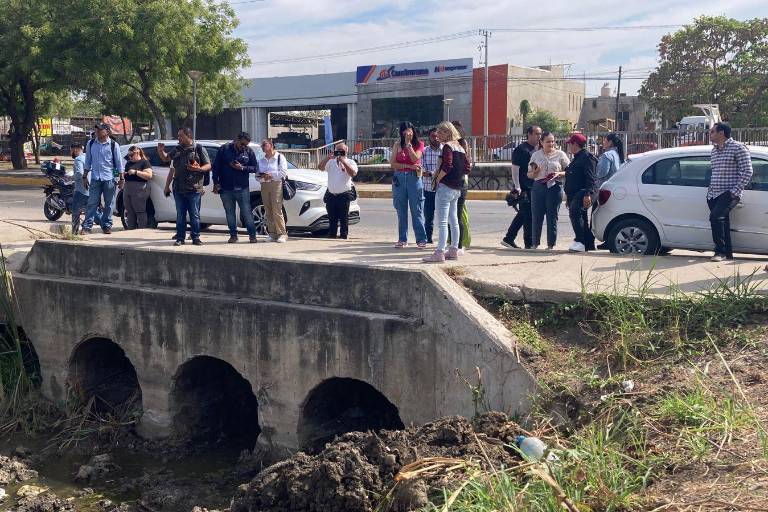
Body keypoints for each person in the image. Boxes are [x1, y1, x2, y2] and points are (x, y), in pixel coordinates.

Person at [423, 122, 471, 263]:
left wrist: (438, 179)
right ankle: (453, 250)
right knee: (454, 220)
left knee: (443, 222)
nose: (437, 136)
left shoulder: (448, 146)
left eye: (440, 133)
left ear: (447, 132)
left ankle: (439, 253)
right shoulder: (461, 147)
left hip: (446, 187)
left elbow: (447, 165)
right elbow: (467, 168)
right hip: (457, 188)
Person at [707, 122, 753, 261]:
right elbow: (714, 171)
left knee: (715, 217)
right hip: (713, 194)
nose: (710, 134)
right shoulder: (714, 150)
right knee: (722, 222)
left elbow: (747, 171)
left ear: (721, 133)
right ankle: (727, 254)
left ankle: (719, 252)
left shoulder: (738, 148)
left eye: (712, 132)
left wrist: (735, 191)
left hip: (728, 193)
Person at [158, 127, 211, 246]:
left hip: (194, 188)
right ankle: (180, 238)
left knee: (195, 215)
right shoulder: (177, 149)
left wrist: (199, 168)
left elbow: (208, 165)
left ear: (189, 136)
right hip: (179, 188)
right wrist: (161, 151)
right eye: (178, 136)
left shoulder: (198, 148)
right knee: (180, 215)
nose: (179, 138)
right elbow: (166, 158)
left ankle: (196, 237)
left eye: (181, 136)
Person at [212, 132, 259, 243]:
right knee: (229, 212)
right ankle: (233, 235)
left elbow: (255, 168)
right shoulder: (224, 149)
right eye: (242, 144)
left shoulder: (248, 151)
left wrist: (242, 168)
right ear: (237, 140)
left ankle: (252, 236)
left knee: (247, 212)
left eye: (246, 145)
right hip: (226, 187)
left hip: (242, 187)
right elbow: (216, 167)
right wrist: (215, 182)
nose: (244, 146)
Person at [502, 125, 542, 249]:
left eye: (540, 134)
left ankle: (522, 242)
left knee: (527, 215)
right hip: (524, 187)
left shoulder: (537, 149)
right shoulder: (521, 149)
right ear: (529, 134)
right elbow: (515, 170)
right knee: (526, 214)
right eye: (536, 134)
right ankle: (512, 239)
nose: (539, 136)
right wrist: (517, 187)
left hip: (534, 186)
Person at [528, 131, 569, 250]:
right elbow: (529, 174)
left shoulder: (561, 154)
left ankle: (551, 245)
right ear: (541, 142)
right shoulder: (536, 155)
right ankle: (535, 244)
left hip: (554, 187)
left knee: (552, 217)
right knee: (537, 216)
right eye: (548, 141)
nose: (551, 144)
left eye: (553, 141)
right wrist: (534, 172)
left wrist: (559, 173)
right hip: (538, 187)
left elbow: (570, 171)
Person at [390, 121, 427, 248]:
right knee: (401, 210)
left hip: (413, 178)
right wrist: (408, 166)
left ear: (413, 131)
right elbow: (393, 163)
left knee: (416, 209)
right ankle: (402, 238)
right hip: (399, 178)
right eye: (404, 130)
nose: (407, 133)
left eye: (409, 130)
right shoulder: (396, 144)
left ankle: (421, 239)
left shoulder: (419, 144)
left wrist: (409, 145)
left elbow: (415, 159)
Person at [81, 123, 124, 234]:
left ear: (107, 132)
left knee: (109, 204)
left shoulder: (113, 145)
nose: (98, 132)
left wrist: (121, 178)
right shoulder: (91, 144)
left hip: (109, 178)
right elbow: (88, 162)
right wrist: (85, 177)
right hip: (95, 177)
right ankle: (87, 226)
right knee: (92, 203)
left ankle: (106, 225)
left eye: (100, 130)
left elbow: (119, 164)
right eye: (97, 130)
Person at [564, 133, 598, 252]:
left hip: (584, 192)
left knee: (575, 213)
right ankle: (588, 244)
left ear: (575, 144)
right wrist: (568, 197)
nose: (569, 146)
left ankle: (580, 240)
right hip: (575, 193)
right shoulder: (577, 157)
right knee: (581, 217)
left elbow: (591, 178)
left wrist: (587, 194)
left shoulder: (587, 157)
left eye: (570, 144)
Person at [319, 142, 358, 239]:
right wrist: (328, 157)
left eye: (342, 151)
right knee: (332, 219)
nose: (339, 153)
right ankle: (332, 236)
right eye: (338, 151)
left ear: (346, 152)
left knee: (344, 218)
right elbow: (320, 167)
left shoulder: (351, 162)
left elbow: (353, 174)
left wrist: (343, 162)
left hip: (344, 195)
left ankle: (344, 236)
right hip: (332, 195)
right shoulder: (331, 162)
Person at [258, 138, 289, 243]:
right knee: (268, 209)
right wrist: (263, 177)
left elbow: (283, 172)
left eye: (265, 144)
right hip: (264, 185)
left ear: (271, 145)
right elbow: (257, 176)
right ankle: (272, 233)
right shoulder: (261, 160)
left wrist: (271, 175)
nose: (263, 147)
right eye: (262, 145)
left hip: (276, 184)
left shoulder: (280, 157)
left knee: (277, 209)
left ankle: (282, 233)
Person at [122, 146, 154, 229]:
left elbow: (149, 175)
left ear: (137, 153)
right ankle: (130, 229)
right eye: (128, 155)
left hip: (140, 188)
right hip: (128, 187)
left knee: (140, 210)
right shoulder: (128, 163)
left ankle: (142, 229)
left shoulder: (144, 162)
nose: (129, 157)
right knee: (129, 211)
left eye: (131, 155)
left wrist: (136, 172)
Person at [452, 120, 470, 253]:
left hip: (460, 181)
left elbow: (466, 165)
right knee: (451, 216)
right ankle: (452, 241)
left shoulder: (461, 144)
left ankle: (461, 242)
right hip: (451, 182)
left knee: (459, 215)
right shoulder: (447, 145)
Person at [421, 128, 442, 243]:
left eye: (438, 136)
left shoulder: (445, 150)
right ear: (429, 137)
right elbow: (421, 170)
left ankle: (445, 240)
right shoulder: (424, 151)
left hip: (442, 189)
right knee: (428, 217)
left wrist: (431, 173)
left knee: (444, 217)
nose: (436, 138)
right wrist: (434, 173)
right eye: (433, 136)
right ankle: (428, 239)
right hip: (428, 189)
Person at [69, 143, 89, 234]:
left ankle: (74, 232)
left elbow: (79, 173)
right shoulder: (88, 158)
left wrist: (70, 178)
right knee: (91, 211)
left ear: (75, 150)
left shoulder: (78, 159)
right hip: (90, 188)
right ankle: (104, 226)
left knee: (75, 211)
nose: (71, 153)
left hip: (80, 190)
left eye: (71, 150)